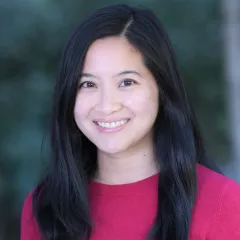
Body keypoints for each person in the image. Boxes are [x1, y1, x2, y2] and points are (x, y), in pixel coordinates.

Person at [20, 4, 240, 240]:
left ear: (162, 88)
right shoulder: (45, 207)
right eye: (88, 84)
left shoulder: (223, 203)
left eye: (126, 82)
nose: (106, 105)